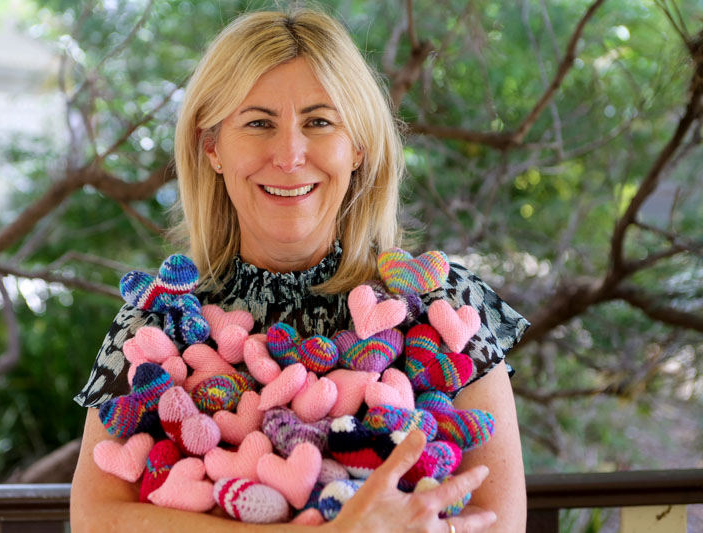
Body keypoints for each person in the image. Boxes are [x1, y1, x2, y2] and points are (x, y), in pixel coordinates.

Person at [71, 8, 529, 533]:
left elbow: (497, 521)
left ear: (357, 146)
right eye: (259, 123)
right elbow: (95, 520)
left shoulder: (446, 301)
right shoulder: (160, 316)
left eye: (318, 121)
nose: (289, 155)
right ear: (212, 146)